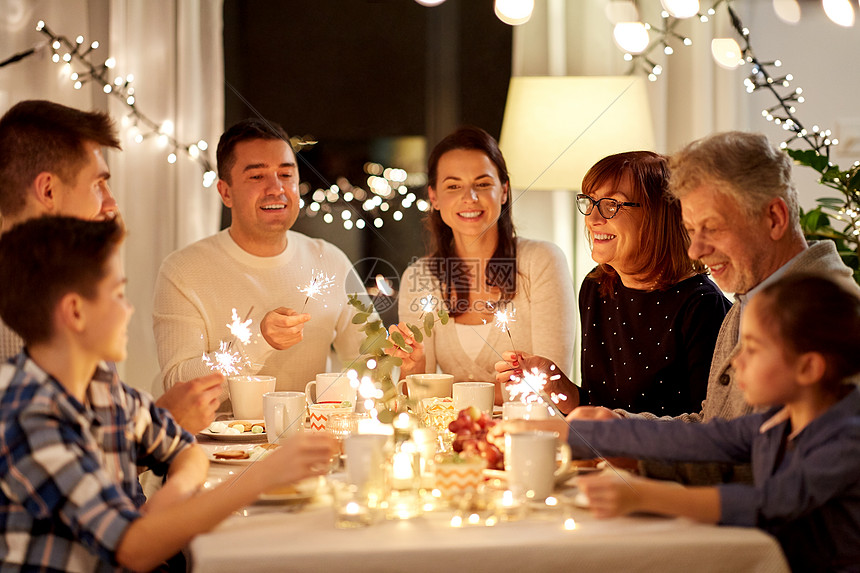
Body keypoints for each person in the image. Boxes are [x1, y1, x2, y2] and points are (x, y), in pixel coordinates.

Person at [0, 216, 337, 571]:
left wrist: (165, 503)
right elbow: (133, 549)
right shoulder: (26, 413)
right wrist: (261, 476)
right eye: (118, 295)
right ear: (75, 312)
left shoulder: (98, 383)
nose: (128, 310)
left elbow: (182, 447)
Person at [507, 275, 860, 572]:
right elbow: (695, 439)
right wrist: (569, 433)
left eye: (752, 348)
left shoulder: (847, 440)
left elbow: (768, 504)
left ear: (808, 368)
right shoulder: (778, 421)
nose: (736, 362)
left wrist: (646, 496)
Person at [0, 99, 221, 434]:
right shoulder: (24, 308)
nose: (111, 202)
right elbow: (64, 459)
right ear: (47, 190)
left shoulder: (68, 277)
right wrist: (165, 422)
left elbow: (103, 423)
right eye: (97, 184)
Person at [496, 151, 730, 417]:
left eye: (612, 205)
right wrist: (556, 383)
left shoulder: (701, 306)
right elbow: (598, 408)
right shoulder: (596, 287)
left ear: (658, 215)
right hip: (604, 454)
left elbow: (708, 427)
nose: (593, 219)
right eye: (591, 202)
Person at [153, 118, 367, 399]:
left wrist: (405, 359)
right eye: (257, 176)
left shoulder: (330, 260)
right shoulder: (183, 271)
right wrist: (258, 341)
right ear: (225, 192)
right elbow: (178, 386)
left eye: (286, 175)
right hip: (215, 442)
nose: (276, 188)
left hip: (308, 438)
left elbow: (369, 362)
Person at [390, 126, 577, 410]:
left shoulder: (542, 261)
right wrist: (411, 369)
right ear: (434, 197)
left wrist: (449, 393)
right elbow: (418, 393)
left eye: (482, 183)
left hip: (528, 437)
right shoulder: (420, 277)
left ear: (503, 191)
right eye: (453, 186)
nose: (470, 198)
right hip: (451, 442)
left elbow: (551, 386)